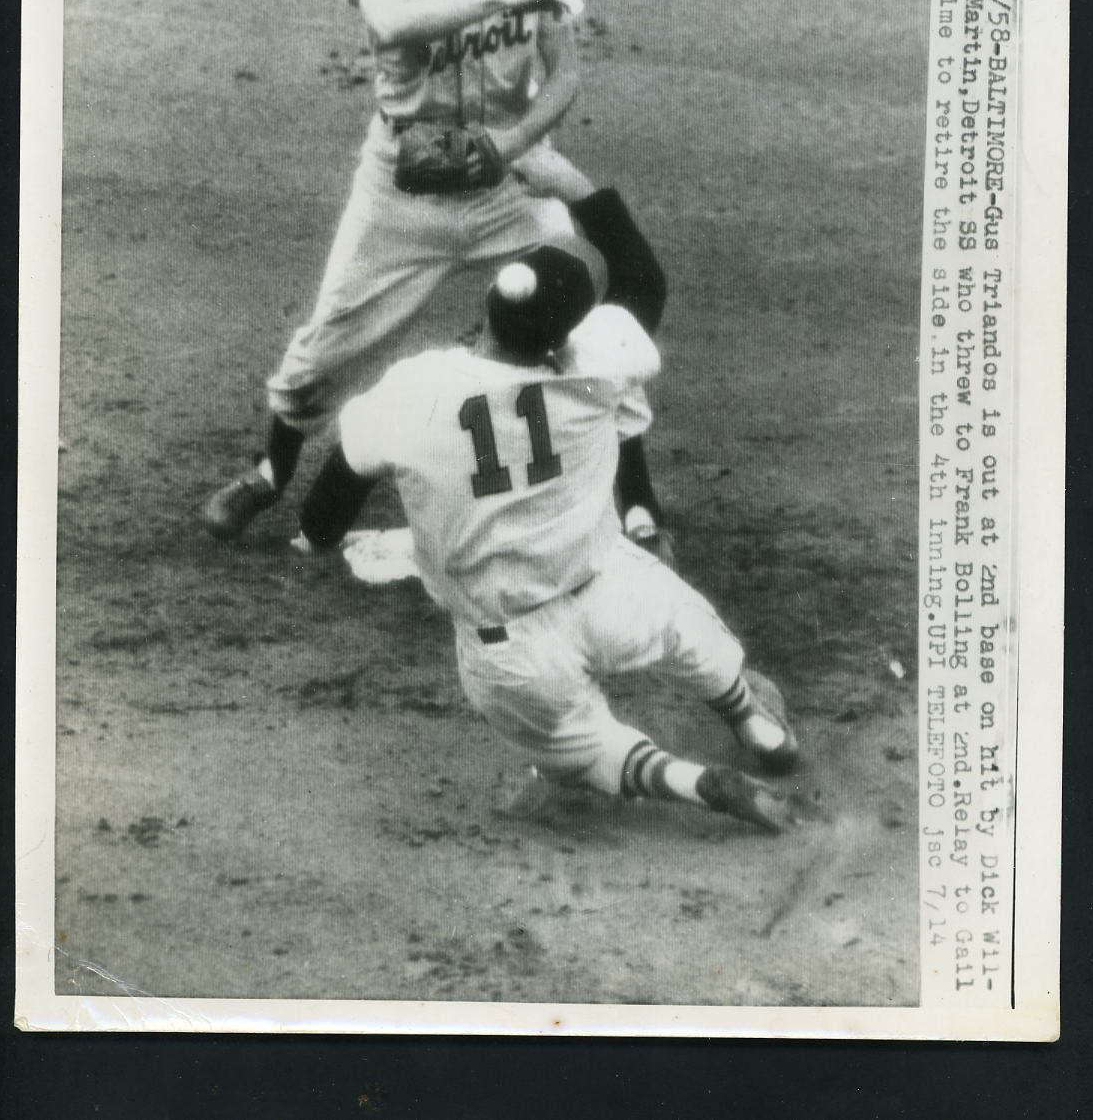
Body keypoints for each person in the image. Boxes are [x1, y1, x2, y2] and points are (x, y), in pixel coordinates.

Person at [203, 0, 670, 554]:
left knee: (583, 320)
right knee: (324, 349)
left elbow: (564, 74)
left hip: (506, 186)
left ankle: (638, 502)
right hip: (400, 187)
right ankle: (265, 475)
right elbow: (390, 24)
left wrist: (516, 143)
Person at [309, 241, 800, 835]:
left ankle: (696, 784)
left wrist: (318, 535)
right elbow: (641, 282)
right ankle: (755, 724)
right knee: (686, 627)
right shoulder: (596, 373)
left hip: (510, 645)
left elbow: (331, 499)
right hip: (609, 590)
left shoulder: (417, 388)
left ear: (488, 307)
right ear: (564, 336)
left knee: (582, 752)